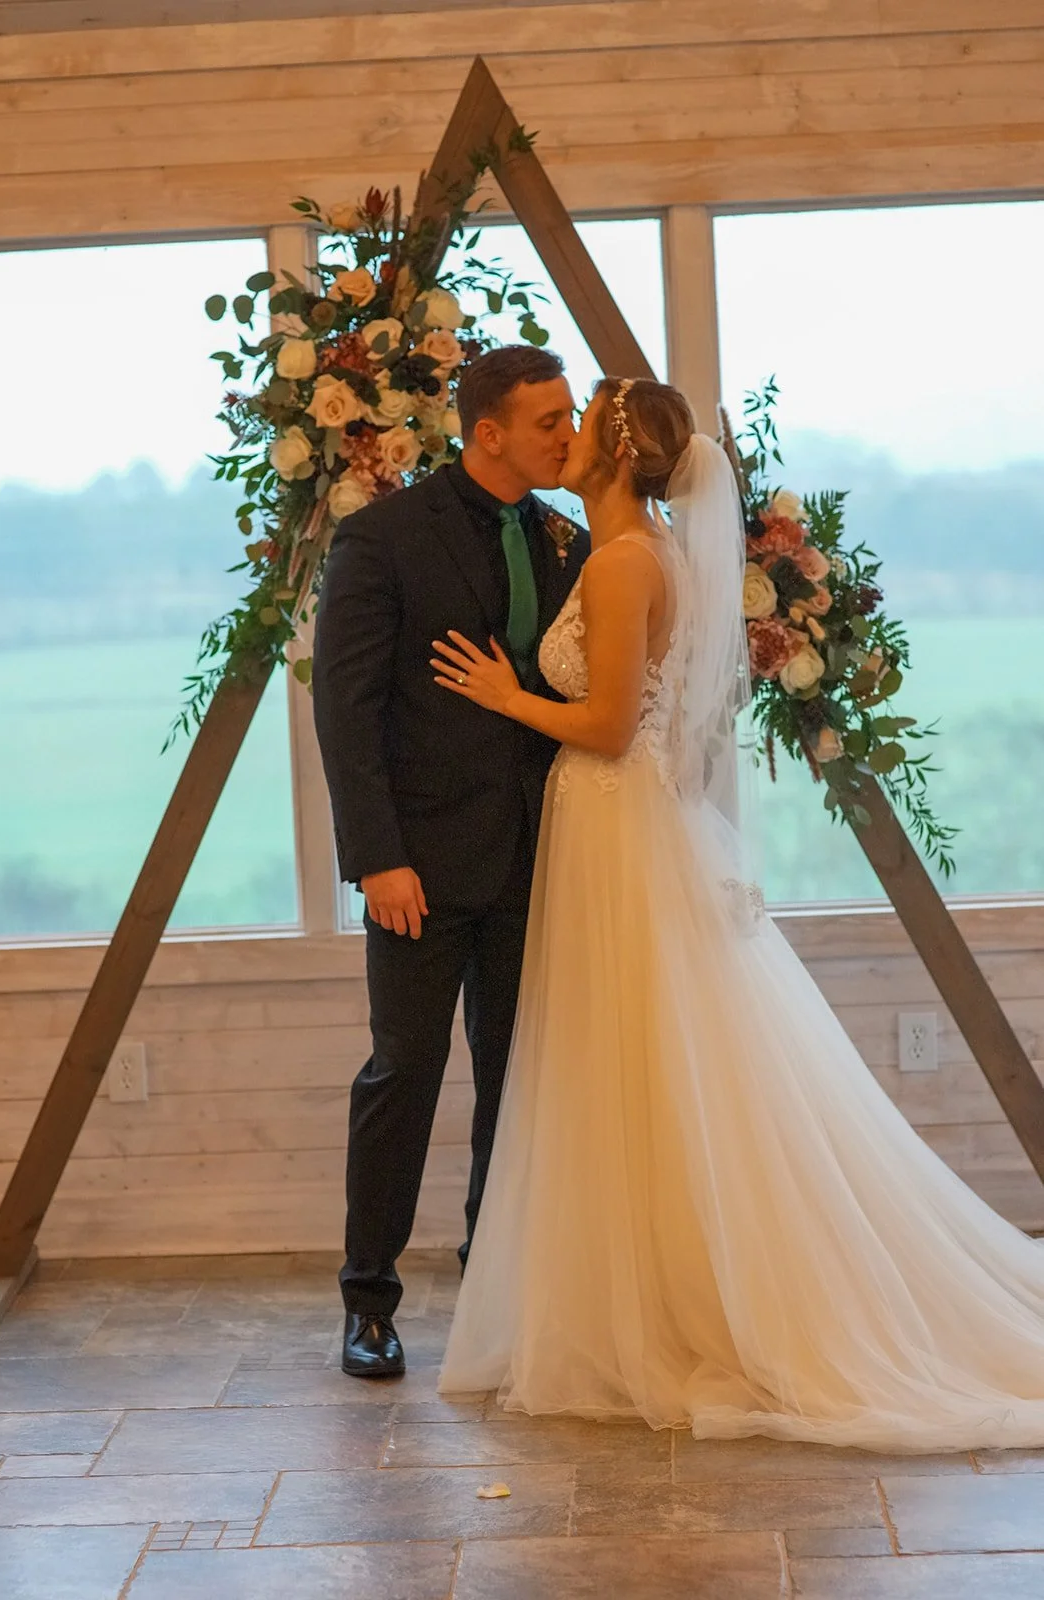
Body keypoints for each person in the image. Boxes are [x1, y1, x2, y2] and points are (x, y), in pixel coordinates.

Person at [434, 376, 1044, 1450]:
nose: (566, 437)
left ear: (617, 455)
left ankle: (667, 1318)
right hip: (614, 831)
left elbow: (611, 725)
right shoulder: (629, 550)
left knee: (635, 1058)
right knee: (629, 1062)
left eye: (581, 425)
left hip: (618, 824)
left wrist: (503, 696)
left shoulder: (628, 563)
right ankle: (632, 1300)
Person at [312, 346, 588, 1379]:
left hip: (540, 862)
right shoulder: (381, 538)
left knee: (515, 1083)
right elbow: (346, 709)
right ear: (488, 432)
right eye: (550, 418)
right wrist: (376, 857)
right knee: (405, 1072)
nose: (567, 434)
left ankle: (494, 1284)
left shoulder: (567, 538)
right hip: (417, 872)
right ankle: (367, 1300)